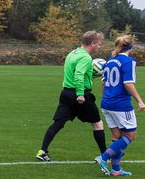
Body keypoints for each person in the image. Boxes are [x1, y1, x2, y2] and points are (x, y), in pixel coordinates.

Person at [36, 31, 107, 162]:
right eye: (99, 44)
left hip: (66, 93)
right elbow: (78, 75)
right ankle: (106, 156)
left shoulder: (72, 53)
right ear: (92, 43)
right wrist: (80, 94)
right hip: (80, 95)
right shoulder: (86, 58)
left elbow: (73, 72)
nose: (99, 47)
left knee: (58, 123)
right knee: (97, 124)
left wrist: (90, 76)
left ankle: (42, 151)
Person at [96, 34, 145, 177]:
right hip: (121, 105)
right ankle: (103, 158)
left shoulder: (110, 61)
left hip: (107, 103)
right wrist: (139, 101)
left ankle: (116, 169)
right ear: (131, 47)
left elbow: (103, 83)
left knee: (116, 136)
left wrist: (107, 97)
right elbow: (128, 83)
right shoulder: (129, 61)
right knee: (130, 135)